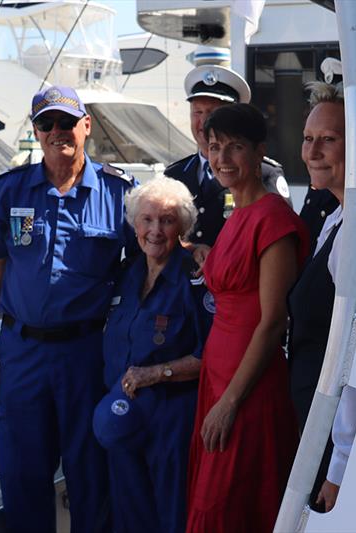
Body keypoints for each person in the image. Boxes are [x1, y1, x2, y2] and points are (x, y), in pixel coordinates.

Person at [0, 86, 134, 533]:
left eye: (66, 122)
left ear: (86, 126)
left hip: (87, 354)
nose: (57, 132)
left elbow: (150, 268)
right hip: (22, 354)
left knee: (90, 473)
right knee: (22, 475)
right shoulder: (11, 190)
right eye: (47, 123)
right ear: (36, 132)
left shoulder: (120, 193)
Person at [186, 104, 309, 533]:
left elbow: (274, 321)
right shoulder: (236, 215)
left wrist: (230, 403)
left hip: (247, 387)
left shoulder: (273, 217)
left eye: (235, 147)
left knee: (225, 509)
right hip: (218, 377)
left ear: (259, 153)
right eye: (216, 147)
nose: (222, 158)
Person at [287, 81, 356, 511]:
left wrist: (341, 466)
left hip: (336, 439)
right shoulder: (336, 218)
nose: (312, 152)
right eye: (308, 139)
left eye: (328, 140)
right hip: (316, 423)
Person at [94, 177, 213, 533]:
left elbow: (210, 356)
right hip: (124, 414)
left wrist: (156, 373)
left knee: (171, 512)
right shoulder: (126, 275)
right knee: (129, 513)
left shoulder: (196, 277)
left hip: (172, 419)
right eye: (147, 220)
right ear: (134, 224)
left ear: (183, 226)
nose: (156, 230)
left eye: (167, 220)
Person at [164, 64, 291, 246]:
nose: (204, 122)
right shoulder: (174, 175)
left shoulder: (262, 172)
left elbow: (275, 233)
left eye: (213, 113)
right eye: (197, 112)